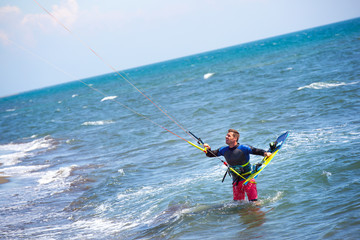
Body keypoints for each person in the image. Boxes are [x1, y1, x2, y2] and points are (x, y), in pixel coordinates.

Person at [204, 129, 271, 202]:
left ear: (235, 138)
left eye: (228, 136)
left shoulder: (243, 148)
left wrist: (265, 153)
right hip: (236, 182)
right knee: (238, 205)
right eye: (226, 135)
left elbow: (256, 150)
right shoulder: (223, 150)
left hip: (248, 180)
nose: (226, 137)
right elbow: (211, 154)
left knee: (254, 203)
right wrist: (208, 149)